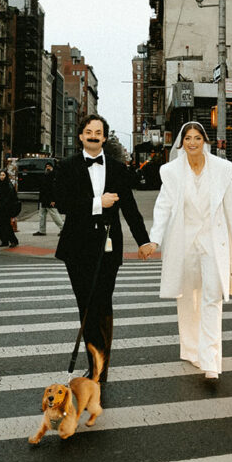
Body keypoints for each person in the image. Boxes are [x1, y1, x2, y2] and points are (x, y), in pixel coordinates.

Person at [55, 113, 155, 383]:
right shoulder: (67, 167)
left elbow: (131, 210)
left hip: (108, 249)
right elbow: (63, 203)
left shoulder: (118, 169)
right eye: (88, 131)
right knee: (86, 306)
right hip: (77, 249)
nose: (93, 135)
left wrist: (144, 241)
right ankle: (95, 365)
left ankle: (101, 366)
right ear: (80, 136)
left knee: (103, 304)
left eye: (98, 132)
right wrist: (98, 203)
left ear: (104, 137)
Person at [143, 121, 232, 381]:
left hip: (213, 243)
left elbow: (231, 207)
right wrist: (154, 239)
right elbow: (163, 206)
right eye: (187, 138)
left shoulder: (222, 170)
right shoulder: (172, 172)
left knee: (212, 296)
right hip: (184, 244)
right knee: (187, 299)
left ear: (205, 141)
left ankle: (211, 360)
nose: (192, 142)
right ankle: (191, 350)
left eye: (197, 138)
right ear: (182, 142)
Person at [34, 161, 63, 236]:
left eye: (49, 166)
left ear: (52, 167)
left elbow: (55, 189)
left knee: (54, 215)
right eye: (46, 166)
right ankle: (42, 230)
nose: (48, 167)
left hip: (49, 199)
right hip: (44, 199)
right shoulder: (46, 175)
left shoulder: (54, 176)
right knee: (42, 215)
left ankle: (63, 228)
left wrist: (53, 200)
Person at [0, 170, 20, 248]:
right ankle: (4, 241)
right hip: (0, 209)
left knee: (7, 226)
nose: (2, 177)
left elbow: (10, 198)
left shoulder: (8, 185)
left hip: (6, 209)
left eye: (3, 175)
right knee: (1, 226)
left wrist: (4, 206)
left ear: (6, 176)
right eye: (0, 175)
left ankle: (13, 241)